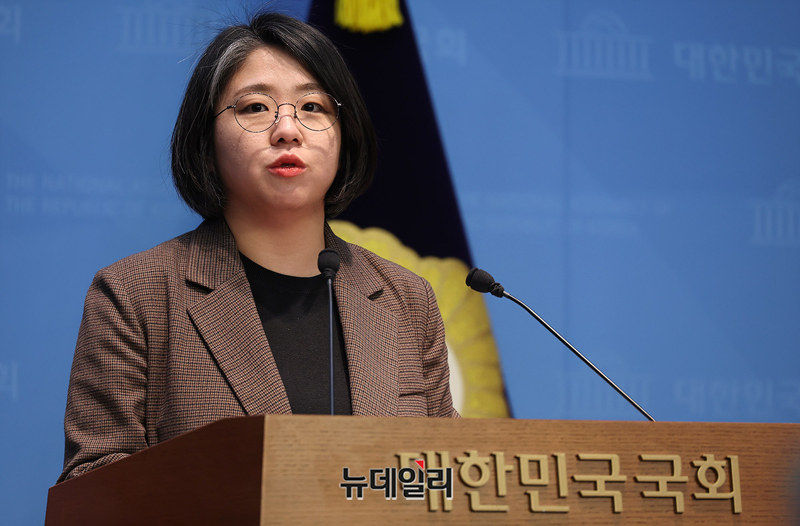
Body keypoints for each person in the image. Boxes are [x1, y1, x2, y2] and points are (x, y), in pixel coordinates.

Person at [58, 11, 457, 483]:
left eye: (313, 107)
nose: (288, 129)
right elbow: (93, 487)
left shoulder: (406, 299)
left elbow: (447, 478)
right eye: (255, 108)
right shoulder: (135, 295)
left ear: (344, 137)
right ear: (206, 146)